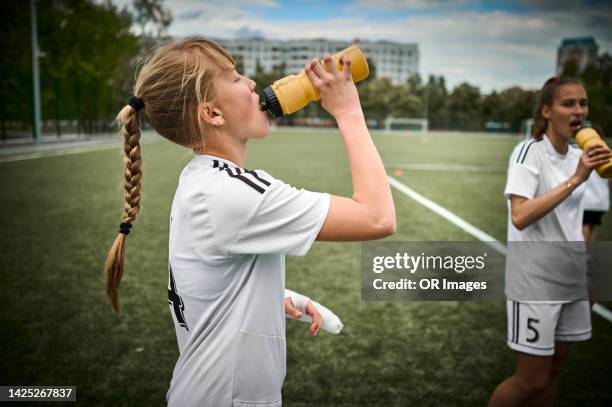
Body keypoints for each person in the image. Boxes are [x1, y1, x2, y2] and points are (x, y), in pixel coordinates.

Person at [103, 38, 395, 407]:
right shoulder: (232, 193)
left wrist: (280, 298)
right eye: (235, 77)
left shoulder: (203, 181)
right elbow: (378, 217)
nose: (252, 83)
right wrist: (349, 111)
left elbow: (206, 284)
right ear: (213, 114)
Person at [489, 76, 612, 407]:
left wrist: (582, 274)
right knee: (530, 380)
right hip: (535, 282)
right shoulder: (529, 152)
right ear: (546, 111)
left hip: (570, 278)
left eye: (583, 104)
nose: (578, 111)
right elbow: (521, 215)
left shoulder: (577, 155)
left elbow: (571, 225)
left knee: (554, 372)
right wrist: (576, 179)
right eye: (568, 103)